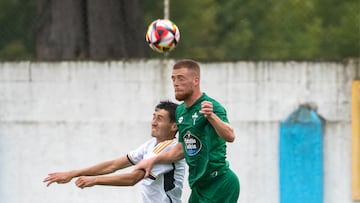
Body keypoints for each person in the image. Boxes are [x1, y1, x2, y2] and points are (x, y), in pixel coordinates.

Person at [135, 59, 240, 203]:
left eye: (181, 78)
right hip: (199, 186)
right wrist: (152, 160)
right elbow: (180, 150)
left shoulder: (210, 106)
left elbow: (230, 136)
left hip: (219, 183)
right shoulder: (180, 110)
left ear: (195, 81)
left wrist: (211, 116)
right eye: (173, 79)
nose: (176, 83)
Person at [43, 101, 186, 203]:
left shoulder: (168, 148)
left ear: (174, 126)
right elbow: (113, 165)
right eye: (153, 117)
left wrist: (95, 180)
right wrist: (73, 173)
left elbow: (133, 179)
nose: (153, 122)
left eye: (159, 119)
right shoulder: (151, 145)